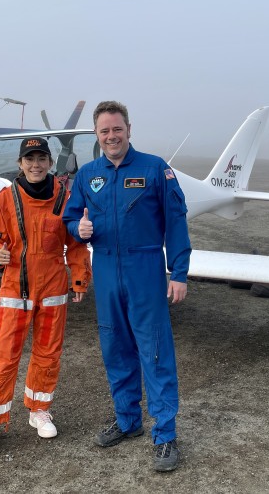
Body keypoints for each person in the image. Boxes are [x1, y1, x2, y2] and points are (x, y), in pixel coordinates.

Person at [62, 100, 191, 472]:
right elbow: (72, 216)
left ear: (129, 129)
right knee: (115, 348)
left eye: (117, 129)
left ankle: (165, 434)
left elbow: (176, 221)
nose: (111, 136)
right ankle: (127, 420)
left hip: (145, 268)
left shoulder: (154, 169)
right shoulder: (88, 174)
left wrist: (178, 272)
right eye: (104, 131)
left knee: (153, 351)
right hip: (105, 269)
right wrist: (78, 228)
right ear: (97, 135)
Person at [0, 136, 92, 456]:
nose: (35, 164)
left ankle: (38, 410)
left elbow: (77, 244)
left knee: (47, 355)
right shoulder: (5, 199)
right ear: (20, 164)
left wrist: (79, 279)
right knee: (3, 358)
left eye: (41, 159)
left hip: (53, 290)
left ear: (50, 163)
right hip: (15, 291)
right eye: (30, 159)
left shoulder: (66, 198)